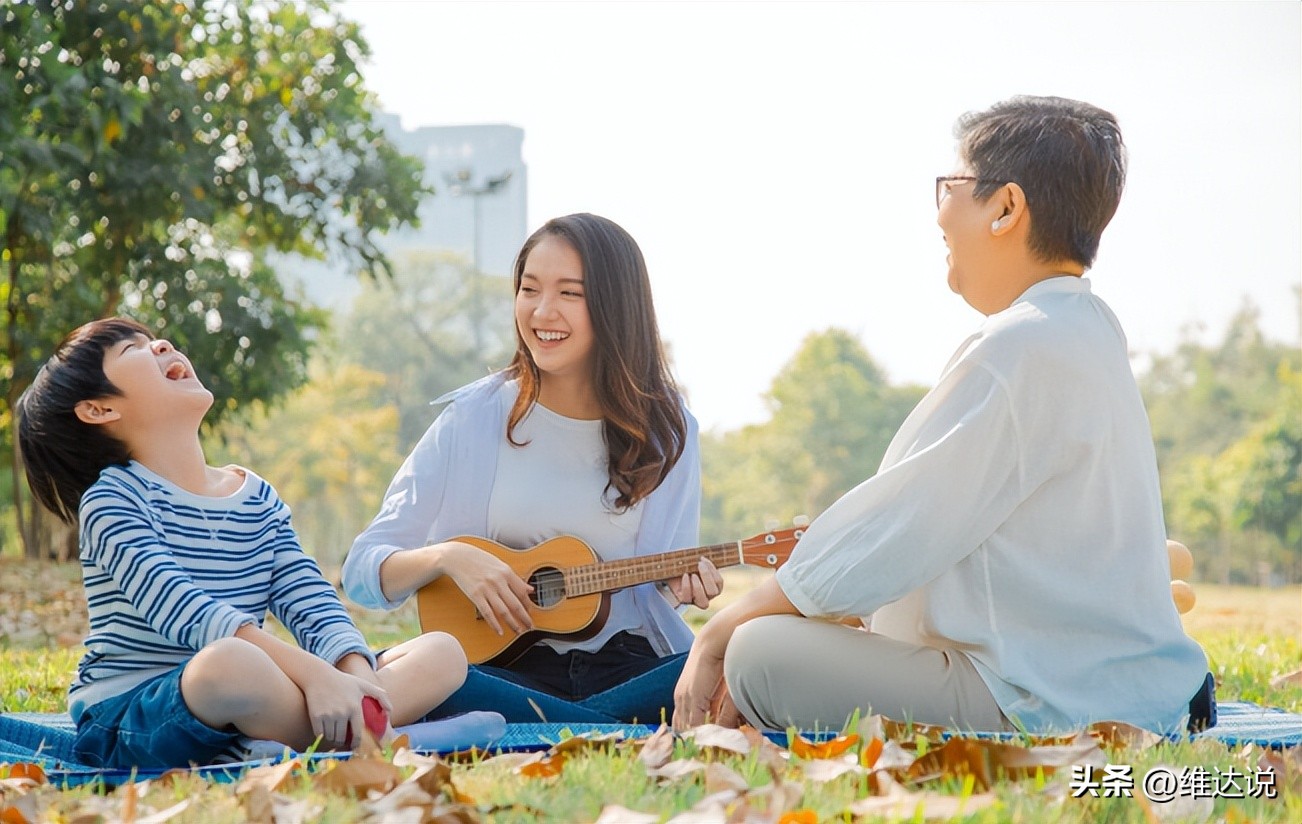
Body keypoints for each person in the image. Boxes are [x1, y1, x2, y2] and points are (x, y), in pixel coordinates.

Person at [673, 96, 1212, 736]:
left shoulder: (1020, 346)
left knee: (759, 653)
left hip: (1039, 701)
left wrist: (724, 628)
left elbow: (900, 525)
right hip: (1103, 688)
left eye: (951, 185)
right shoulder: (1087, 327)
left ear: (1005, 208)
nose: (940, 213)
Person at [15, 318, 467, 770]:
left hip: (256, 693)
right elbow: (188, 611)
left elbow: (310, 600)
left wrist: (355, 674)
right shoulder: (112, 501)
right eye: (133, 349)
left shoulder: (256, 496)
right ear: (99, 409)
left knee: (442, 652)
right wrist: (314, 675)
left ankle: (340, 722)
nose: (162, 345)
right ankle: (366, 731)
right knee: (229, 665)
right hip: (136, 714)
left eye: (153, 340)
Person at [343, 212, 723, 725]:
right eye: (529, 289)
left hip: (626, 667)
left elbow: (660, 591)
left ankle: (549, 724)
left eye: (570, 293)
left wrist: (678, 588)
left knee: (735, 659)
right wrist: (450, 557)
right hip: (501, 672)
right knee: (435, 672)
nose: (543, 311)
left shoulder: (670, 430)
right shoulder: (473, 419)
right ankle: (598, 727)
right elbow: (362, 571)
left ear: (616, 306)